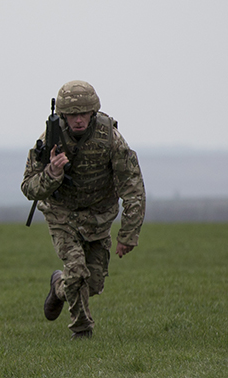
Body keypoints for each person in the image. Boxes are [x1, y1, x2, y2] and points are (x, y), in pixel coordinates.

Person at [21, 80, 146, 338]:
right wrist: (52, 174)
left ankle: (58, 286)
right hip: (62, 214)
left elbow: (132, 187)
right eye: (73, 114)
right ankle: (82, 330)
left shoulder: (111, 139)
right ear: (63, 115)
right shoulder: (49, 141)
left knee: (93, 283)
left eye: (83, 113)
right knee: (77, 271)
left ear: (93, 112)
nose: (78, 120)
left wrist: (128, 234)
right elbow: (28, 187)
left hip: (99, 216)